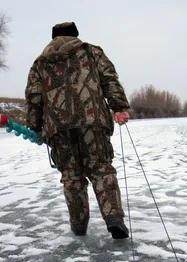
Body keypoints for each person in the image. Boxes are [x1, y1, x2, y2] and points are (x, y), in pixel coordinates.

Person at [25, 22, 130, 239]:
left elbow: (34, 97)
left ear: (53, 38)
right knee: (101, 168)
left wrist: (35, 125)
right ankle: (114, 220)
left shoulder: (40, 63)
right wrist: (118, 106)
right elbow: (109, 78)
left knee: (72, 176)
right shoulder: (91, 52)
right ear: (76, 36)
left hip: (58, 128)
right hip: (92, 121)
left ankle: (79, 226)